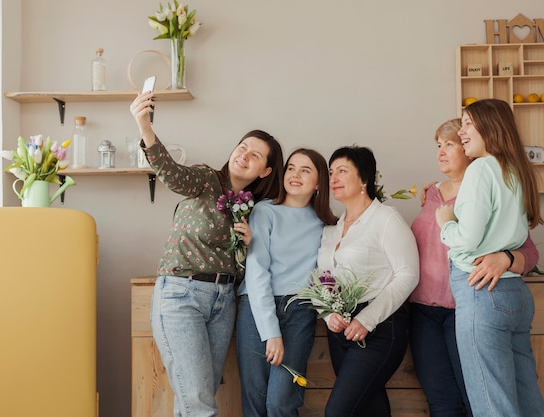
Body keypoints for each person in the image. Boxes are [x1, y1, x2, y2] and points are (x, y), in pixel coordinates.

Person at [129, 90, 284, 417]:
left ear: (266, 171)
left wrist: (249, 243)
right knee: (199, 404)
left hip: (223, 301)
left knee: (194, 400)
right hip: (181, 295)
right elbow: (171, 172)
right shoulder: (204, 179)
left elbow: (251, 269)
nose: (245, 155)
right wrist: (144, 125)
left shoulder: (254, 211)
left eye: (256, 155)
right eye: (243, 147)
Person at [409, 118, 540, 417]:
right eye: (438, 146)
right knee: (441, 401)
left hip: (468, 307)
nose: (441, 152)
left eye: (450, 144)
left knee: (478, 400)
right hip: (423, 313)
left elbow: (529, 252)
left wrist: (506, 258)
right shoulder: (430, 195)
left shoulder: (492, 188)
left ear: (468, 148)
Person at [317, 145, 419, 417]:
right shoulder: (332, 228)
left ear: (364, 179)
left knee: (338, 412)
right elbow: (321, 279)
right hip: (340, 331)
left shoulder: (386, 219)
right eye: (330, 172)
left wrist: (368, 319)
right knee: (370, 409)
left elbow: (408, 274)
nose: (333, 178)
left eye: (342, 171)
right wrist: (328, 315)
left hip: (380, 330)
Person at [236, 148, 337, 417]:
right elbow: (257, 273)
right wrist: (271, 332)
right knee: (254, 398)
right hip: (256, 307)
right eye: (291, 168)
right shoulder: (264, 212)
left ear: (318, 183)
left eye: (305, 170)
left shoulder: (327, 224)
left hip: (299, 311)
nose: (295, 175)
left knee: (281, 402)